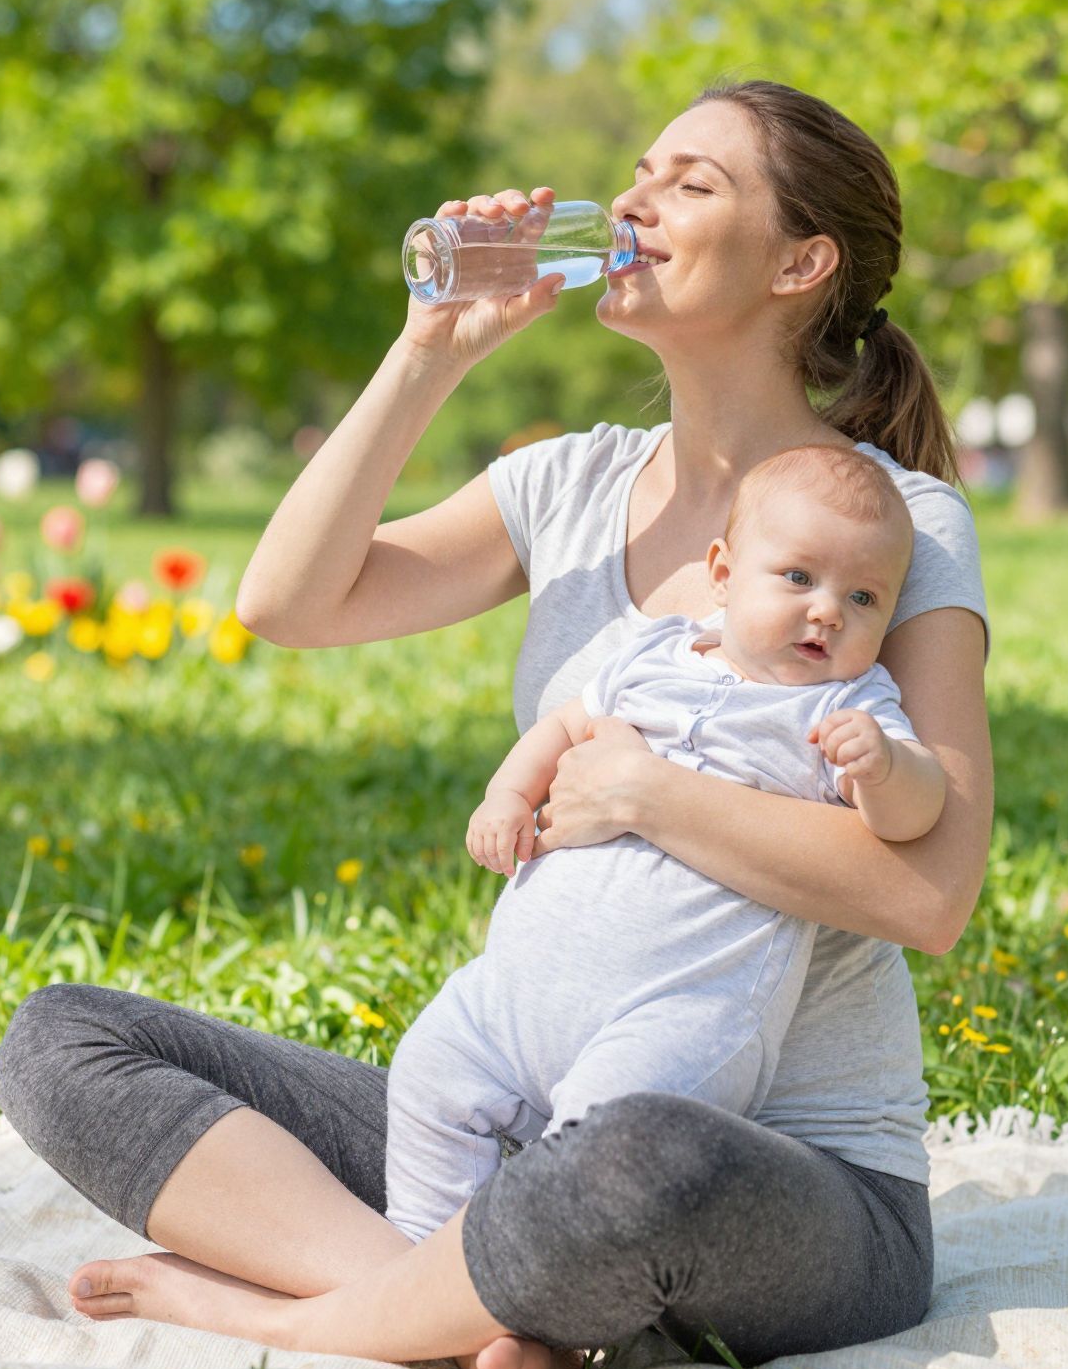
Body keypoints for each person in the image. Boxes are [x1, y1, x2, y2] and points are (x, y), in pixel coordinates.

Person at [0, 78, 992, 1369]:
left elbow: (929, 895)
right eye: (638, 172)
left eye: (693, 184)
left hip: (774, 1178)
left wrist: (642, 790)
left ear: (802, 263)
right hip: (520, 1127)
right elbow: (288, 604)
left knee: (635, 1163)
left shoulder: (897, 536)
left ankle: (317, 1317)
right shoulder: (569, 485)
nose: (632, 203)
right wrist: (431, 352)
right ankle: (476, 1311)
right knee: (65, 1043)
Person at [385, 444, 947, 1246]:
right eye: (798, 578)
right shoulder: (656, 655)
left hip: (686, 1010)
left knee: (603, 1145)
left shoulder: (850, 703)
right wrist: (508, 794)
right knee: (430, 1068)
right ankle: (416, 1255)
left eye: (863, 598)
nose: (828, 611)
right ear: (722, 573)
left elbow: (917, 814)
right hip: (517, 995)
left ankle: (513, 1294)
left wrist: (886, 766)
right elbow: (566, 727)